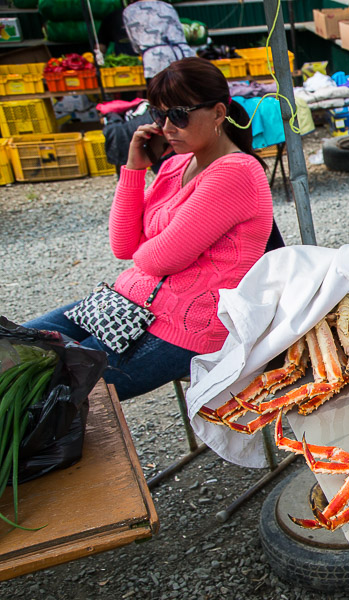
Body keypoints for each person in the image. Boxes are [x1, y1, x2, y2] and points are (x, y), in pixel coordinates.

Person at [25, 58, 274, 401]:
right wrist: (133, 168)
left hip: (185, 328)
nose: (168, 127)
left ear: (218, 113)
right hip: (125, 305)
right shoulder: (175, 165)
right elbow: (124, 245)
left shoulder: (235, 173)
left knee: (41, 386)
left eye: (180, 115)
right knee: (15, 345)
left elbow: (160, 260)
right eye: (159, 115)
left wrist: (152, 247)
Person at [122, 0, 195, 79]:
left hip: (156, 60)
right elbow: (180, 32)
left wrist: (140, 51)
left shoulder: (130, 11)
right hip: (184, 55)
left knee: (162, 90)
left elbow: (134, 41)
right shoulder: (167, 6)